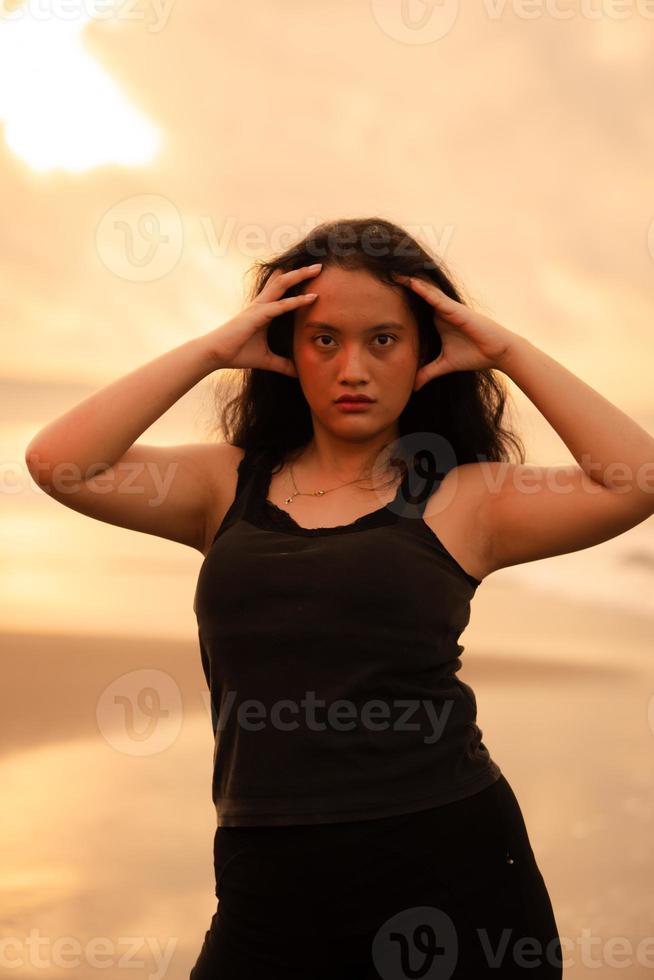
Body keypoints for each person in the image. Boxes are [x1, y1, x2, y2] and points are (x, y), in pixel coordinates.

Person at [25, 218, 654, 979]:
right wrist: (215, 348)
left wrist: (506, 351)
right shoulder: (223, 484)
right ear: (287, 348)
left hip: (449, 875)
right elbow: (60, 463)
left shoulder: (466, 498)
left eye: (384, 340)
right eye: (324, 339)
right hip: (265, 879)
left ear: (427, 350)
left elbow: (636, 479)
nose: (353, 367)